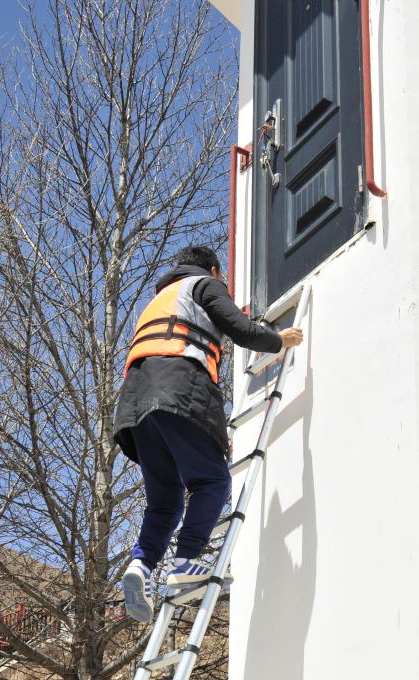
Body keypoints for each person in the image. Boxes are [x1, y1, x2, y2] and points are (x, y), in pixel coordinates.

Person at [115, 246, 303, 622]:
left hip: (136, 408)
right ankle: (186, 559)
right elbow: (240, 329)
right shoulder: (203, 284)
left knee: (165, 503)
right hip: (177, 390)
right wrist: (278, 341)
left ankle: (141, 564)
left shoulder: (161, 299)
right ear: (214, 270)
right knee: (213, 481)